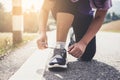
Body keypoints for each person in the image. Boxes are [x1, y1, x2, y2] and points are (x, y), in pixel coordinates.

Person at [37, 0, 112, 69]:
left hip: (83, 15)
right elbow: (45, 9)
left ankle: (73, 35)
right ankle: (59, 50)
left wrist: (83, 43)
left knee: (87, 55)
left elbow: (99, 17)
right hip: (62, 8)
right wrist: (42, 33)